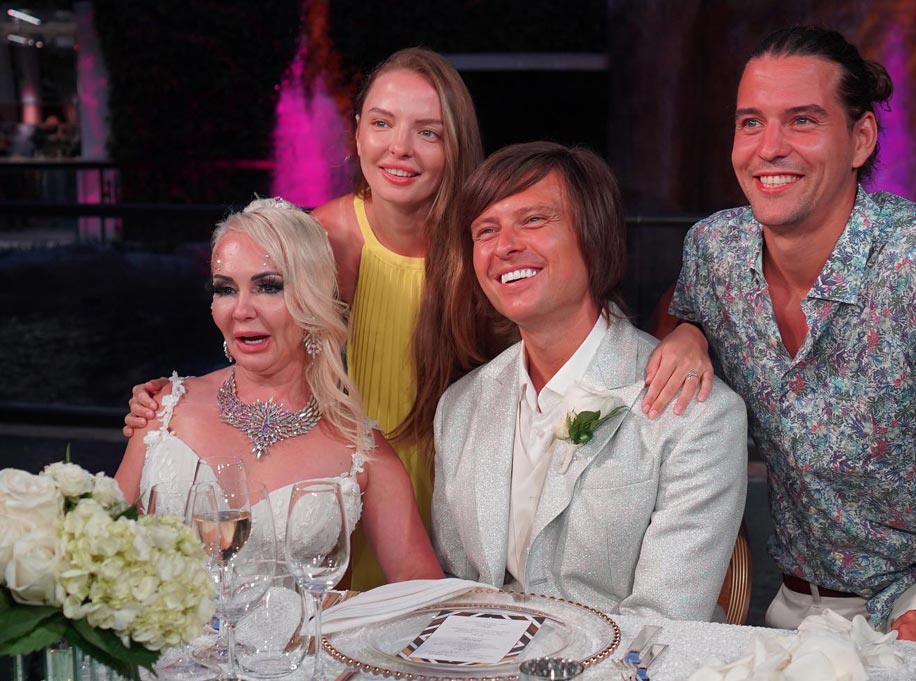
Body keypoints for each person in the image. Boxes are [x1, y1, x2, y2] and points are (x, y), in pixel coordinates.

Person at [123, 49, 712, 590]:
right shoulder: (317, 241)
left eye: (427, 132)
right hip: (329, 482)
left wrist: (687, 332)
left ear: (456, 144)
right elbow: (257, 344)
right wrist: (171, 406)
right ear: (357, 131)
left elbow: (568, 322)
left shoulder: (484, 248)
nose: (399, 148)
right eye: (382, 123)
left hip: (456, 483)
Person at [664, 25, 916, 681]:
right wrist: (687, 333)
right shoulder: (716, 251)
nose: (769, 146)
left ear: (861, 140)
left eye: (803, 121)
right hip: (801, 600)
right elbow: (686, 304)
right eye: (751, 122)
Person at [432, 142, 747, 620]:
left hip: (631, 663)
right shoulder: (460, 407)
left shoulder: (698, 416)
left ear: (594, 236)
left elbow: (665, 620)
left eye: (533, 220)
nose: (505, 246)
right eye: (486, 230)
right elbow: (459, 587)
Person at [115, 198, 443, 584]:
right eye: (226, 289)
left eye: (268, 287)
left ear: (314, 297)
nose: (241, 310)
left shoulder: (362, 451)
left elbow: (422, 592)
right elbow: (102, 552)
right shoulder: (162, 409)